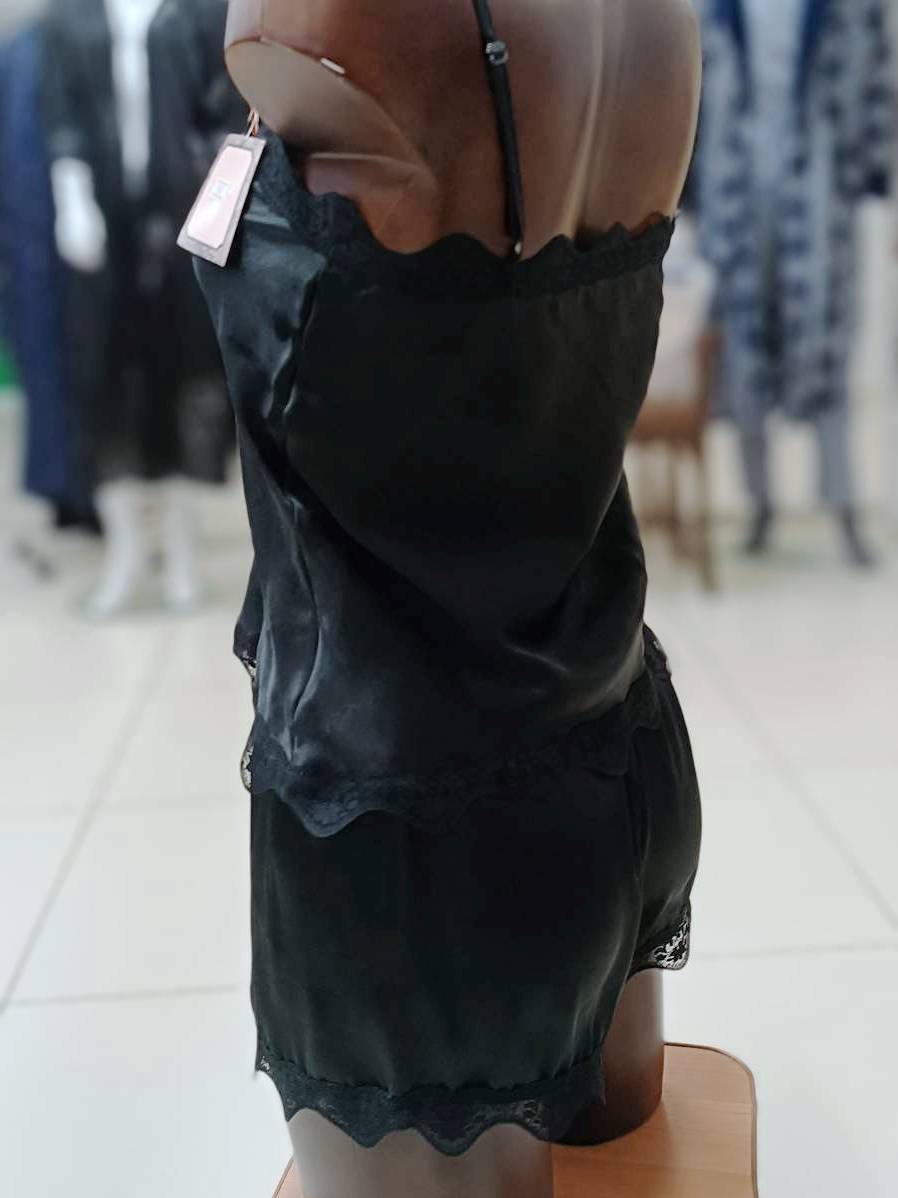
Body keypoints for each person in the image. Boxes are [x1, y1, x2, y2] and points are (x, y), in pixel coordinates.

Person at [190, 2, 702, 1196]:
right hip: (619, 745)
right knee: (635, 1157)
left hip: (405, 853)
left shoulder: (319, 11)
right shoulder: (656, 15)